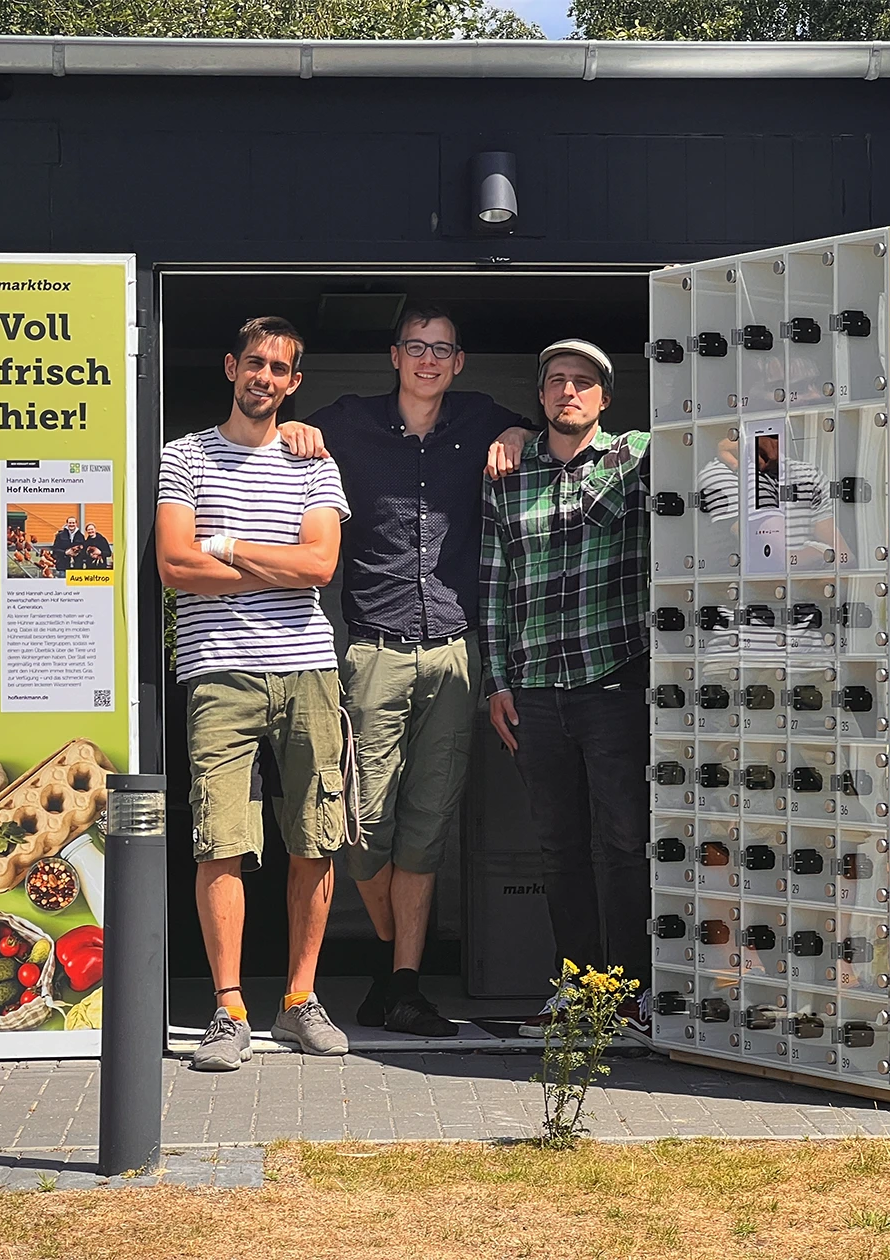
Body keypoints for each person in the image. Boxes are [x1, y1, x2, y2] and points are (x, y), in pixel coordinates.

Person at [278, 303, 532, 1038]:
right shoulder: (347, 421)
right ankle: (395, 967)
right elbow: (279, 434)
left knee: (428, 823)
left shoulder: (481, 418)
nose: (427, 359)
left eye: (441, 349)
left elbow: (538, 426)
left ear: (458, 362)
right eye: (415, 347)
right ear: (394, 356)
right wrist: (293, 429)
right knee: (362, 823)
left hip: (454, 649)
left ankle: (403, 985)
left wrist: (518, 433)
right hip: (372, 652)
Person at [156, 315, 353, 1072]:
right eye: (253, 363)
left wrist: (229, 547)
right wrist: (277, 564)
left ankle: (300, 1001)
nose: (263, 378)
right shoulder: (184, 456)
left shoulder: (315, 462)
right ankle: (229, 1009)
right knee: (221, 841)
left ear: (294, 382)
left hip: (308, 669)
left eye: (278, 369)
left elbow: (320, 567)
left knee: (315, 836)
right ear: (230, 366)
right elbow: (175, 566)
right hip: (217, 670)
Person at [479, 339, 651, 1038]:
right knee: (559, 848)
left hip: (614, 680)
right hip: (535, 689)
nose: (569, 391)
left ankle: (632, 995)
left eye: (583, 381)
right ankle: (576, 994)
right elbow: (495, 582)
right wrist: (497, 681)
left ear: (605, 398)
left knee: (627, 842)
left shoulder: (636, 458)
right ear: (541, 395)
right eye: (556, 380)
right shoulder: (507, 473)